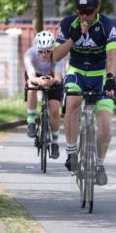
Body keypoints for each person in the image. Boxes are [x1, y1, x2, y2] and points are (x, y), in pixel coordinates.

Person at [52, 0, 116, 186]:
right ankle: (72, 152)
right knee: (72, 102)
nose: (84, 16)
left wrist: (110, 77)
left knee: (106, 122)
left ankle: (99, 164)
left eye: (88, 12)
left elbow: (112, 55)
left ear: (98, 8)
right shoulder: (68, 23)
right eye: (80, 12)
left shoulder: (108, 25)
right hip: (77, 72)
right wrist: (73, 38)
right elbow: (55, 56)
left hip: (100, 74)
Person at [23, 31, 66, 160]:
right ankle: (31, 121)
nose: (44, 55)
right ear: (37, 49)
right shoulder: (29, 54)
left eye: (48, 51)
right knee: (32, 88)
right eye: (41, 51)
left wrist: (51, 81)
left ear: (52, 49)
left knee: (54, 109)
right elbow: (31, 77)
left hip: (53, 77)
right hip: (35, 75)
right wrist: (39, 80)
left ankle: (55, 143)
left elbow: (58, 77)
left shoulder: (58, 55)